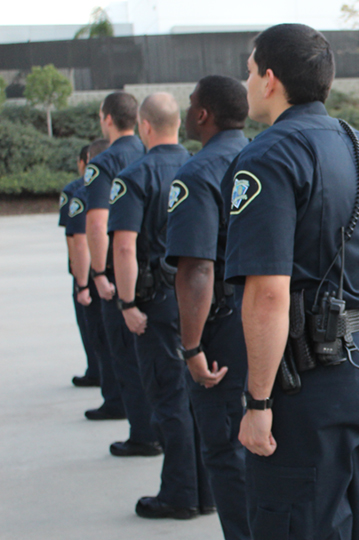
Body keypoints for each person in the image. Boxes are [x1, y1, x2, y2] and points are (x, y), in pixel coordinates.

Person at [225, 24, 359, 539]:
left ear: (270, 79)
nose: (249, 78)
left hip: (308, 380)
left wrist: (258, 402)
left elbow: (268, 292)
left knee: (296, 522)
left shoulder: (267, 155)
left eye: (251, 68)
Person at [108, 92, 209, 519]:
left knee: (168, 399)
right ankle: (206, 490)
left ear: (145, 126)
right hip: (204, 297)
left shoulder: (135, 176)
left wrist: (127, 302)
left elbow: (125, 248)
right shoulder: (201, 167)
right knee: (200, 398)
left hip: (158, 302)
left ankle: (179, 494)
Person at [165, 76, 252, 538]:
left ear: (203, 115)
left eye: (193, 102)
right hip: (276, 318)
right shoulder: (266, 156)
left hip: (224, 328)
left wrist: (192, 347)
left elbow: (197, 268)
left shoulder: (199, 173)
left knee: (225, 447)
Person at [83, 92, 159, 458]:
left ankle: (143, 434)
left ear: (107, 119)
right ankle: (159, 428)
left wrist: (98, 272)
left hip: (122, 276)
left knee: (127, 359)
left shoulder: (105, 162)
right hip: (159, 273)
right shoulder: (150, 154)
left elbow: (97, 223)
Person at [61, 140, 111, 390]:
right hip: (117, 271)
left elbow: (77, 240)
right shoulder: (123, 184)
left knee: (95, 329)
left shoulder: (78, 192)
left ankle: (98, 374)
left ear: (85, 162)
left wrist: (81, 281)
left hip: (92, 272)